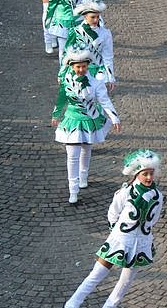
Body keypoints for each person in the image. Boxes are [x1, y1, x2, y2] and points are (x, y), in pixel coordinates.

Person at [54, 149, 163, 308]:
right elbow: (113, 214)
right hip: (120, 240)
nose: (149, 177)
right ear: (137, 174)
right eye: (145, 174)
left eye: (151, 173)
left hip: (141, 242)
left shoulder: (158, 196)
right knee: (96, 275)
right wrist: (118, 234)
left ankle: (110, 307)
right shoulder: (125, 192)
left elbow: (154, 218)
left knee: (126, 280)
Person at [51, 49, 120, 204]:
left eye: (84, 66)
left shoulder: (95, 83)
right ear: (72, 67)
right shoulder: (67, 79)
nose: (81, 70)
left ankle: (83, 176)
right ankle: (73, 189)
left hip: (90, 119)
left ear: (88, 65)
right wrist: (56, 115)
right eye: (78, 67)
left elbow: (104, 101)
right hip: (72, 119)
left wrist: (114, 117)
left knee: (86, 149)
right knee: (72, 155)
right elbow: (62, 98)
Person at [62, 0, 115, 91]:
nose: (96, 20)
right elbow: (67, 53)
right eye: (92, 17)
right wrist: (62, 74)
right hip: (81, 71)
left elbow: (108, 56)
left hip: (99, 71)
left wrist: (110, 77)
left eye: (98, 17)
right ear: (85, 16)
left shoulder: (105, 33)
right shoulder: (75, 31)